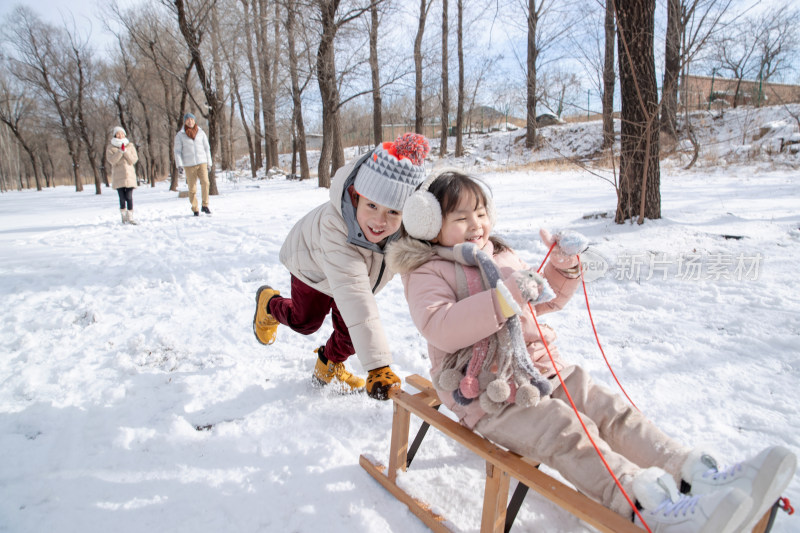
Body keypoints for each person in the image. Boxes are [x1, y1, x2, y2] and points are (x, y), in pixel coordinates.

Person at [386, 169, 796, 533]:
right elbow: (440, 327)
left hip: (541, 371)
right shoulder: (427, 271)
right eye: (460, 218)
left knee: (608, 411)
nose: (476, 225)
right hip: (489, 395)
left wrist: (559, 271)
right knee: (564, 430)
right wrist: (506, 297)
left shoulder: (499, 253)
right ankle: (646, 507)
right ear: (431, 225)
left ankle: (691, 475)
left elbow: (540, 302)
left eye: (480, 213)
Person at [252, 133, 430, 400]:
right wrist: (378, 366)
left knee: (349, 335)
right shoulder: (335, 226)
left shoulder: (404, 231)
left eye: (393, 212)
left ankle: (328, 364)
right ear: (355, 196)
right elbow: (355, 295)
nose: (379, 221)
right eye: (372, 205)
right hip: (313, 266)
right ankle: (269, 305)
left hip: (353, 278)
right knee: (306, 322)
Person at [174, 113, 212, 216]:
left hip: (202, 162)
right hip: (189, 164)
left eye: (192, 119)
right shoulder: (180, 135)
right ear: (185, 121)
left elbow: (207, 148)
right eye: (188, 120)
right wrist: (180, 165)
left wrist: (209, 163)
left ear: (194, 121)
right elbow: (177, 151)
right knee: (192, 188)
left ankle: (205, 205)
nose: (190, 121)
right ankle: (195, 208)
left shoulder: (201, 133)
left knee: (206, 182)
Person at [107, 126, 139, 225]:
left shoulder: (130, 146)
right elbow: (112, 160)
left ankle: (130, 216)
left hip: (129, 176)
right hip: (118, 176)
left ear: (124, 134)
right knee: (122, 197)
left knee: (129, 196)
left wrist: (125, 152)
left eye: (122, 133)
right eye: (118, 133)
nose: (120, 135)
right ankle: (123, 216)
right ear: (115, 135)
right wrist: (120, 152)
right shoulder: (111, 147)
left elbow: (133, 160)